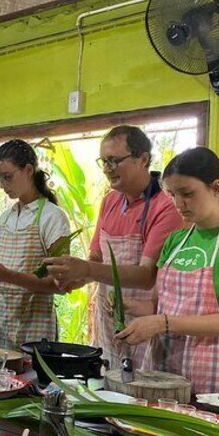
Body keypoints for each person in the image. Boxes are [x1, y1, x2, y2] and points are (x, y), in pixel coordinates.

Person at [114, 147, 219, 395]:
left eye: (187, 193)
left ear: (216, 187)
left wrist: (162, 323)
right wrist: (128, 306)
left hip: (210, 375)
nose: (178, 204)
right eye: (172, 195)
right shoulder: (176, 241)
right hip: (163, 372)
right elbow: (161, 307)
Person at [44, 125, 184, 369]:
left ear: (143, 159)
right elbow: (97, 256)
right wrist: (77, 279)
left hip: (145, 322)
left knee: (140, 389)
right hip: (108, 319)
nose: (108, 169)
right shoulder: (110, 200)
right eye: (104, 161)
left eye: (115, 161)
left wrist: (86, 270)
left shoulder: (166, 205)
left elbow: (145, 276)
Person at [0, 140, 70, 349]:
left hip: (35, 322)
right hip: (1, 319)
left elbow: (58, 284)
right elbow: (6, 269)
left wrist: (7, 276)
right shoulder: (6, 217)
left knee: (30, 379)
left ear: (28, 170)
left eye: (7, 177)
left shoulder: (52, 217)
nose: (2, 185)